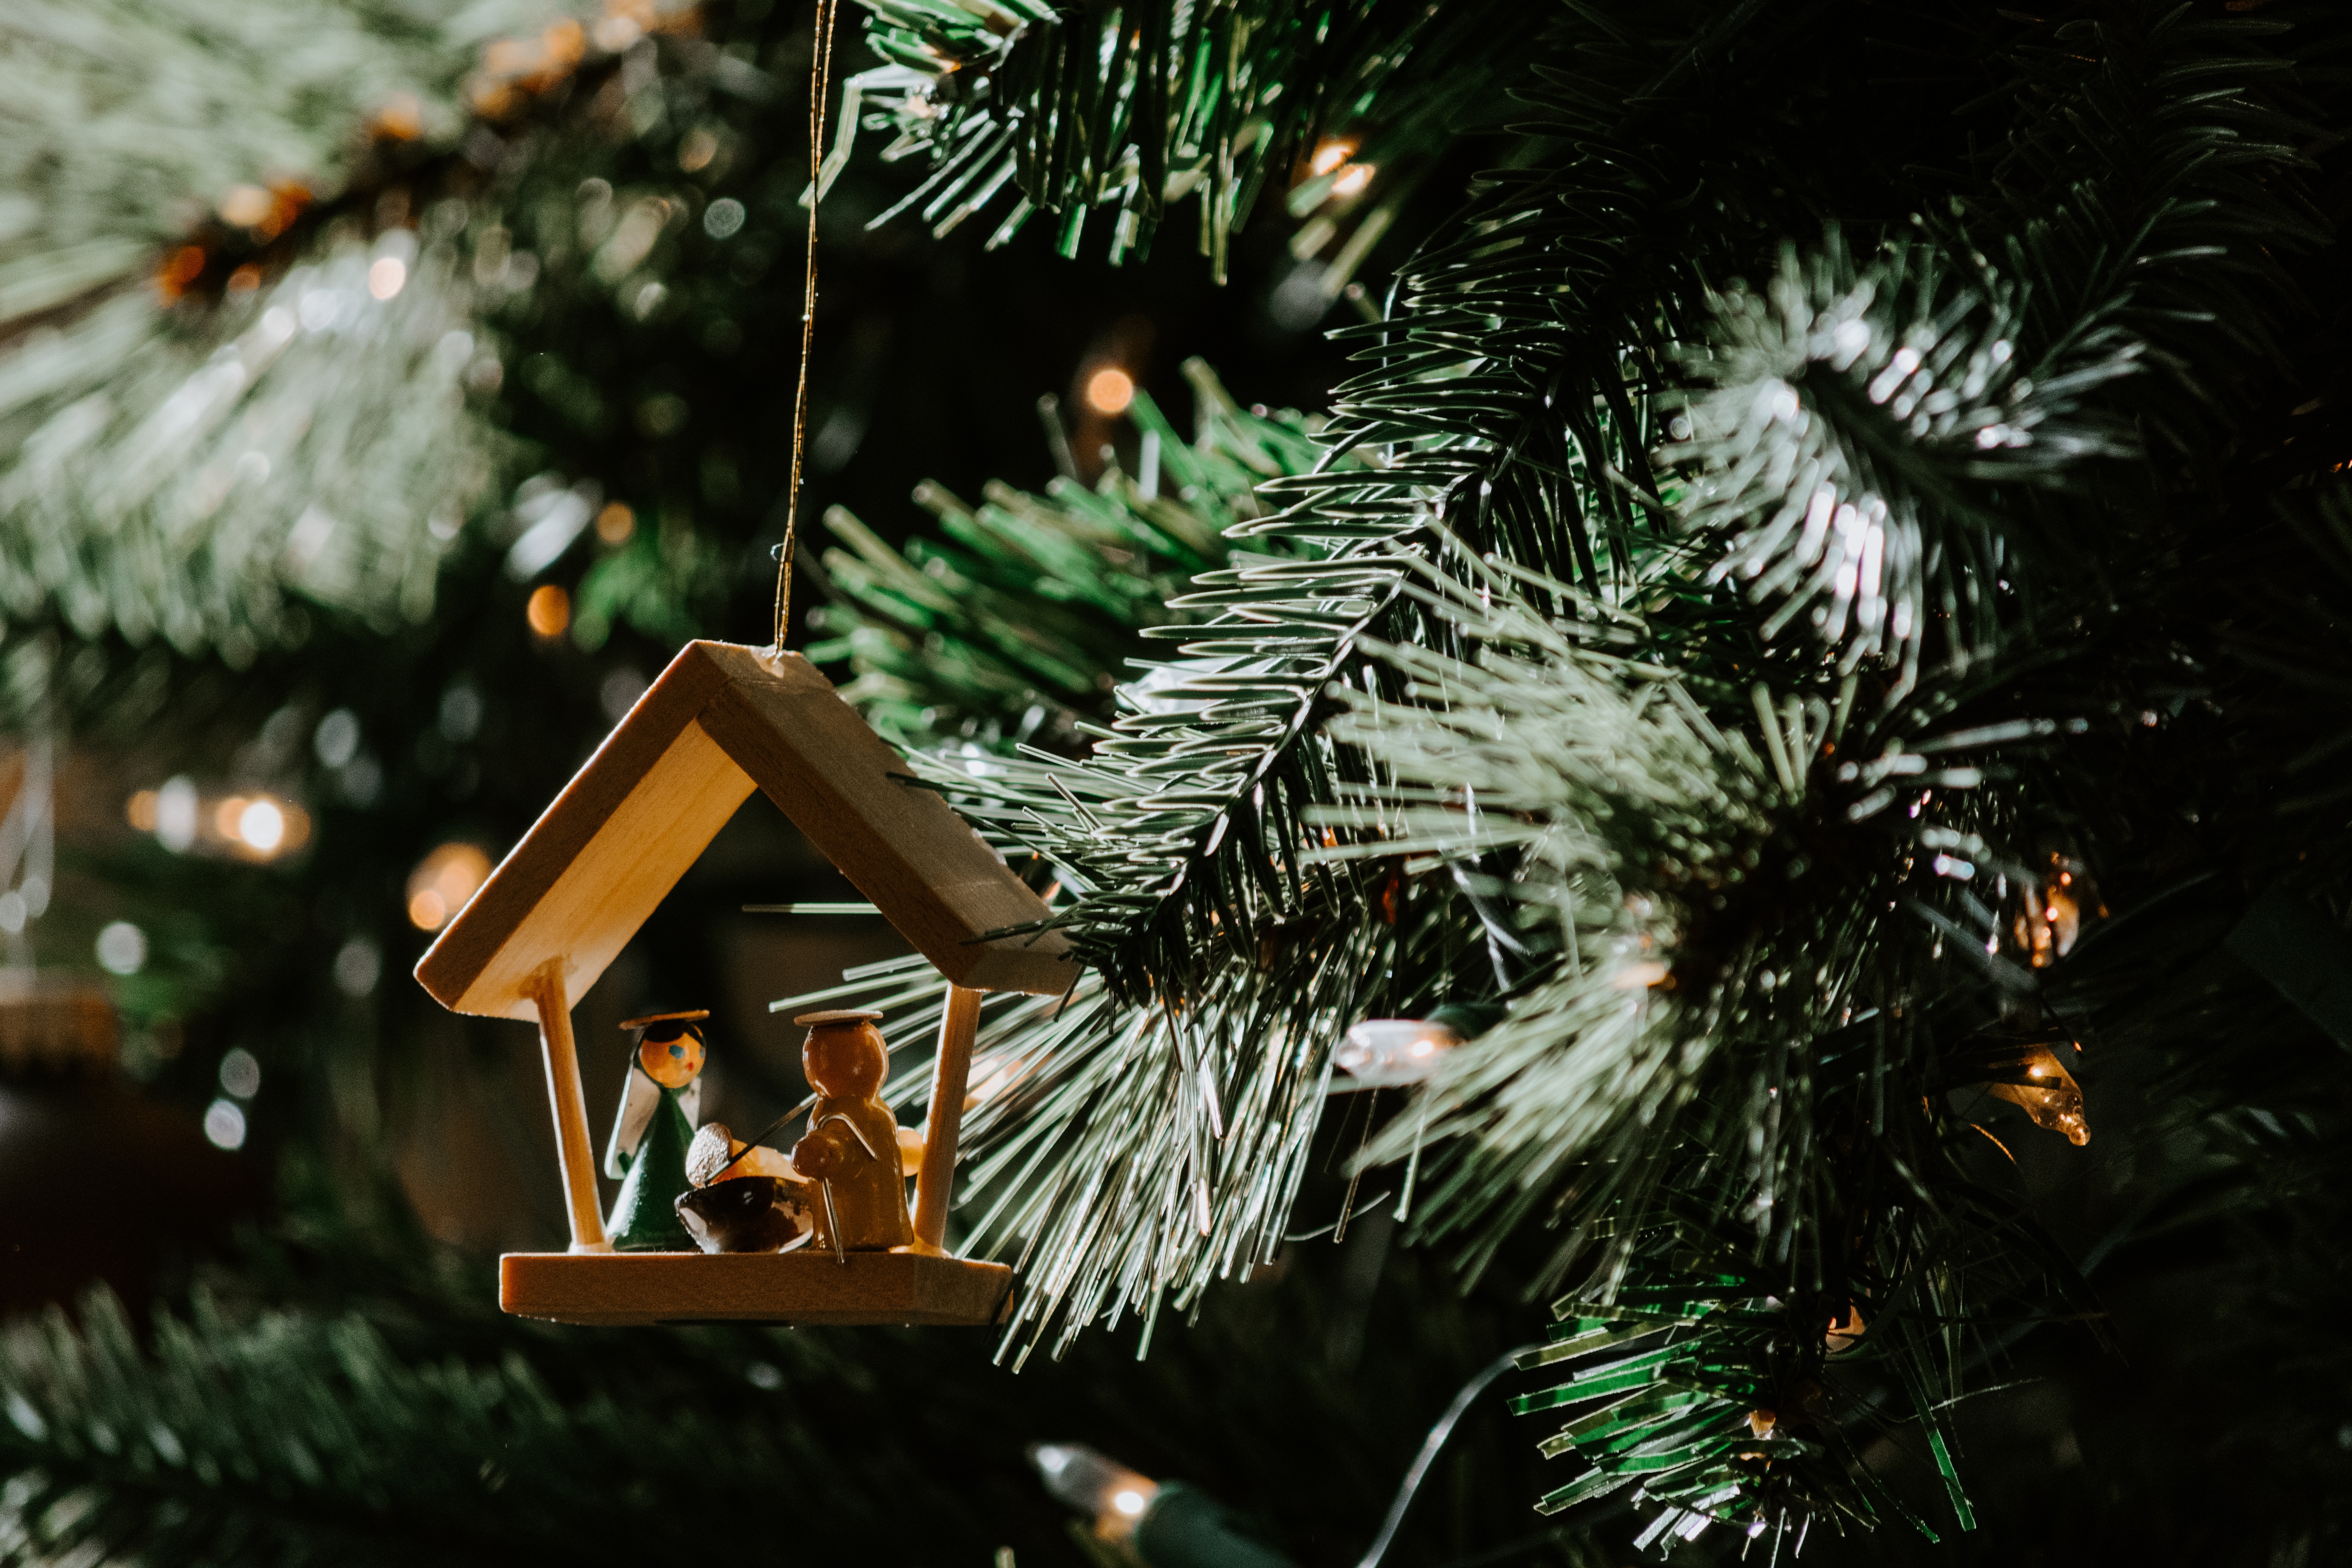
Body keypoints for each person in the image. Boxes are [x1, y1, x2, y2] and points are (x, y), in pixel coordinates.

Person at [789, 1009, 917, 1252]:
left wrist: (826, 1151)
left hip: (872, 1233)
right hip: (834, 1239)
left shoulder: (870, 1113)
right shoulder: (824, 1110)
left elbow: (846, 1150)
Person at [602, 1010, 708, 1251]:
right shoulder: (654, 1103)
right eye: (678, 1052)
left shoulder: (680, 1104)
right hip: (644, 1192)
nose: (690, 1062)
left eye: (699, 1053)